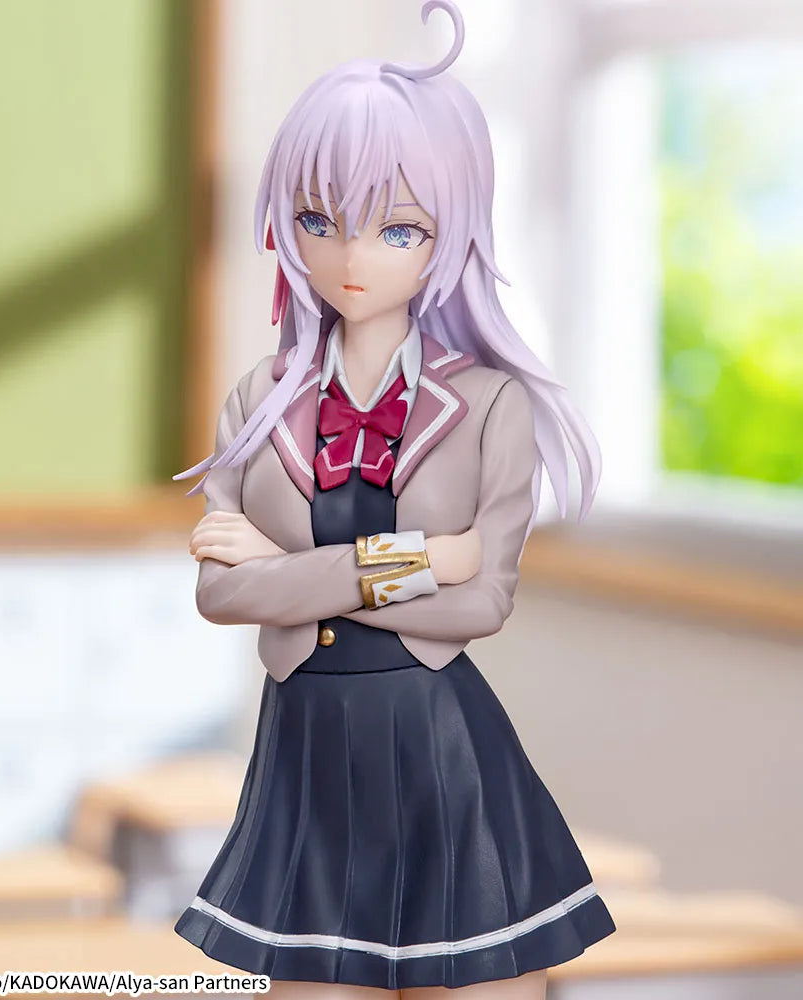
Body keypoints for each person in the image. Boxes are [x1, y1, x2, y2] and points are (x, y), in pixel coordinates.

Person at [172, 2, 615, 996]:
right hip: (304, 752)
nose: (351, 258)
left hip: (440, 748)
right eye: (317, 222)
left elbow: (481, 600)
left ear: (449, 233)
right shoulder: (257, 400)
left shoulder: (490, 404)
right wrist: (410, 559)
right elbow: (223, 593)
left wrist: (292, 572)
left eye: (397, 227)